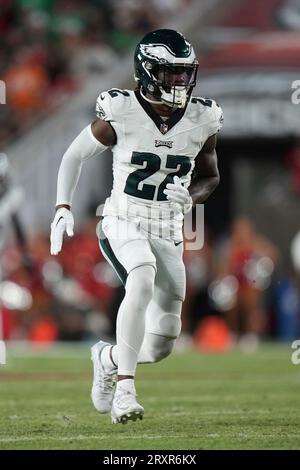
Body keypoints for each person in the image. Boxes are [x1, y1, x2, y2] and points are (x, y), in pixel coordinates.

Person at [50, 29, 223, 424]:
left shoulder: (203, 118)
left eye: (184, 74)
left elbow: (210, 176)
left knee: (161, 343)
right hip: (123, 218)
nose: (180, 83)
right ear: (147, 72)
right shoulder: (121, 111)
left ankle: (108, 356)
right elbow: (73, 156)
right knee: (141, 278)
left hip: (167, 229)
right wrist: (62, 206)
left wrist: (190, 198)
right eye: (170, 74)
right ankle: (125, 391)